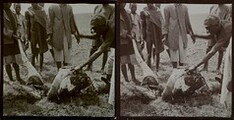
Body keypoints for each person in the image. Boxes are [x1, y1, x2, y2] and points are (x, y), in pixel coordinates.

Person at [48, 4, 80, 70]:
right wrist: (49, 36)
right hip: (57, 34)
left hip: (67, 35)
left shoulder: (69, 7)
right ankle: (59, 71)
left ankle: (65, 71)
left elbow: (71, 21)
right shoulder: (52, 7)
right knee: (58, 54)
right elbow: (50, 23)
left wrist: (75, 33)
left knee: (66, 54)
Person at [163, 4, 195, 68]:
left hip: (182, 33)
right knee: (173, 52)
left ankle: (181, 70)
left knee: (182, 52)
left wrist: (192, 33)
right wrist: (165, 36)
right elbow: (166, 23)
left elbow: (187, 21)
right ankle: (174, 69)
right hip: (172, 33)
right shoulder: (167, 7)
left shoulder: (184, 7)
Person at [86, 4, 114, 74]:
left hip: (105, 32)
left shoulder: (112, 8)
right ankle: (89, 66)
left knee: (105, 51)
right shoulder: (97, 7)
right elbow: (93, 18)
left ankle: (102, 68)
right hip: (96, 31)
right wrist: (92, 28)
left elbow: (112, 20)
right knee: (92, 49)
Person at [202, 4, 231, 73]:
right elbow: (209, 18)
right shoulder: (212, 7)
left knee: (220, 50)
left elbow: (226, 20)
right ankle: (205, 67)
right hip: (212, 31)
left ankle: (218, 68)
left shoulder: (227, 8)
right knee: (208, 49)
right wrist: (208, 29)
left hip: (220, 32)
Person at [3, 3, 25, 85]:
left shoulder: (12, 12)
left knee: (16, 60)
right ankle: (11, 80)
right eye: (7, 2)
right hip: (6, 41)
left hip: (15, 41)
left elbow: (18, 24)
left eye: (10, 2)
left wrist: (18, 33)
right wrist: (12, 35)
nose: (9, 4)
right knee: (8, 61)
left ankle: (18, 78)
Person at [25, 3, 49, 72]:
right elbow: (28, 25)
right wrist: (28, 36)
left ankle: (40, 69)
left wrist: (46, 35)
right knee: (33, 52)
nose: (33, 4)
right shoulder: (28, 11)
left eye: (34, 3)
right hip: (33, 33)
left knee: (41, 52)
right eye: (32, 3)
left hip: (41, 34)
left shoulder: (42, 11)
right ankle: (33, 69)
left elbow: (45, 24)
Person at [120, 3, 140, 85]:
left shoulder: (127, 13)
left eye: (124, 2)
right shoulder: (115, 13)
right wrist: (126, 35)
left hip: (129, 41)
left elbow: (132, 25)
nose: (123, 4)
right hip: (121, 41)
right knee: (123, 61)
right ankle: (126, 79)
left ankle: (134, 78)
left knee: (131, 60)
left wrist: (132, 33)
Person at [141, 4, 164, 70]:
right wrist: (143, 36)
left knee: (157, 52)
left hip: (157, 34)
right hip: (148, 34)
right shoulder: (144, 11)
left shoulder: (157, 11)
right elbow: (143, 25)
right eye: (147, 3)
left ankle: (157, 69)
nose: (149, 4)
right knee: (148, 54)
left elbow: (161, 23)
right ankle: (149, 70)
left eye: (150, 3)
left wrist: (162, 35)